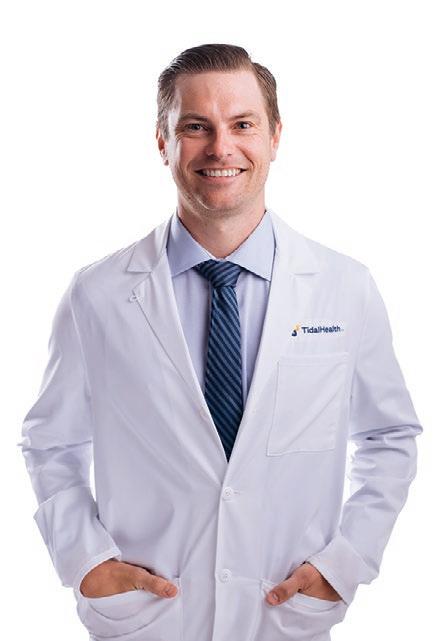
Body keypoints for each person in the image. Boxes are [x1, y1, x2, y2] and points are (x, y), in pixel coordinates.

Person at [18, 43, 423, 641]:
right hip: (150, 616)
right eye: (195, 127)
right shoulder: (98, 294)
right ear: (162, 142)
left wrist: (346, 562)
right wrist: (85, 561)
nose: (220, 148)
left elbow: (389, 437)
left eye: (242, 125)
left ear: (275, 136)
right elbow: (52, 442)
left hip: (283, 611)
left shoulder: (344, 287)